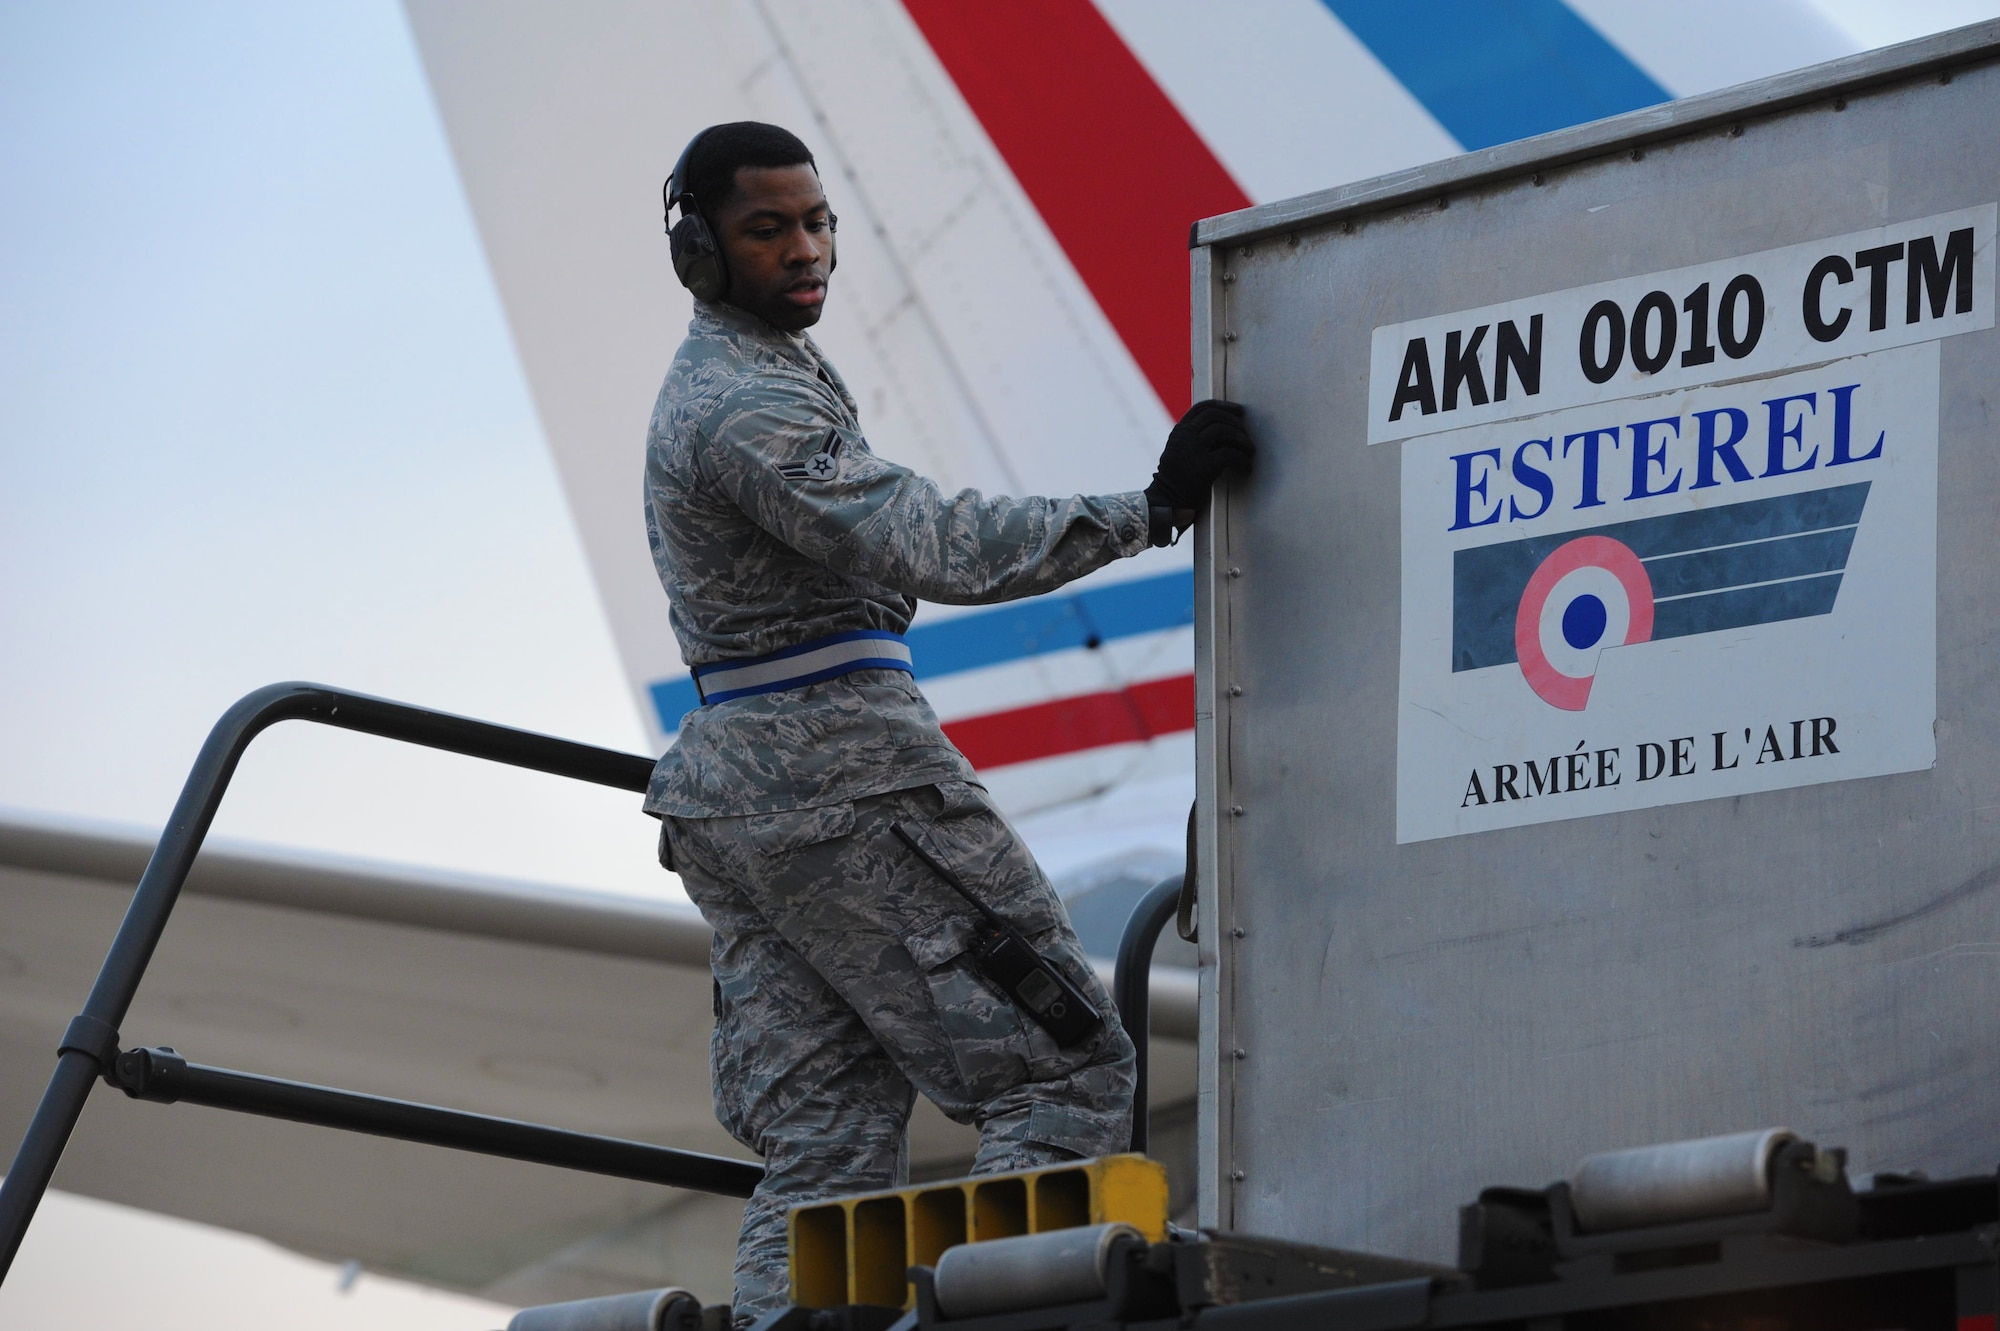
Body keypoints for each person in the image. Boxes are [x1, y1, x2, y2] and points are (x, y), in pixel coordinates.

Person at [644, 121, 1253, 1321]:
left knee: (822, 1143)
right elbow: (922, 536)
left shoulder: (755, 373)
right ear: (701, 251)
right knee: (1067, 1064)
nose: (807, 249)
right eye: (768, 229)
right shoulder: (738, 407)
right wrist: (1149, 507)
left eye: (816, 221)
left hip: (749, 798)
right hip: (846, 782)